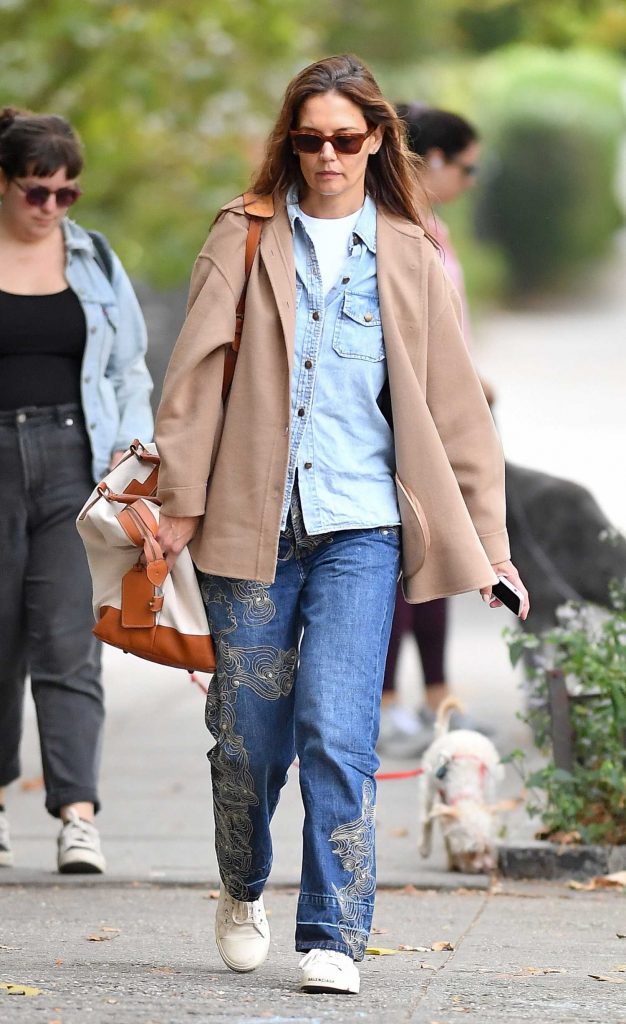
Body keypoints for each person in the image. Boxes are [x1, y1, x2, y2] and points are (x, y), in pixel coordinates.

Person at [154, 56, 529, 995]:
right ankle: (242, 884)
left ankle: (333, 931)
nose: (328, 156)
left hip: (362, 529)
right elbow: (194, 382)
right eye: (310, 139)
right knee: (248, 738)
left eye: (346, 140)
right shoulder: (243, 237)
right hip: (249, 527)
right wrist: (173, 510)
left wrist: (492, 548)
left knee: (338, 730)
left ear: (376, 143)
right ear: (292, 141)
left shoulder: (409, 252)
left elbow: (455, 411)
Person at [0, 108, 153, 874]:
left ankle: (77, 814)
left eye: (68, 193)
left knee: (67, 638)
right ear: (4, 182)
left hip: (74, 457)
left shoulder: (91, 258)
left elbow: (129, 366)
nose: (53, 208)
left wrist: (130, 457)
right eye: (37, 192)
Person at [379, 105, 493, 757]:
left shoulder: (434, 229)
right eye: (467, 167)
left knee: (441, 555)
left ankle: (435, 698)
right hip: (408, 420)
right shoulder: (395, 229)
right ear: (438, 160)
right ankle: (388, 704)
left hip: (447, 412)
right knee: (404, 559)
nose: (470, 181)